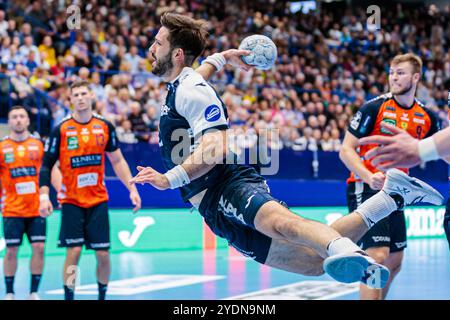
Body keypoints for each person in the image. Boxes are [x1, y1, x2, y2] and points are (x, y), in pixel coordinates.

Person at [129, 13, 443, 289]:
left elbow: (215, 146)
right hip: (210, 206)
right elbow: (199, 76)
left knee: (280, 223)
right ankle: (391, 198)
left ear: (178, 53)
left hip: (225, 183)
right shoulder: (183, 85)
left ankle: (346, 249)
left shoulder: (190, 89)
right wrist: (223, 57)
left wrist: (169, 179)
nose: (151, 48)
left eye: (157, 42)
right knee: (312, 263)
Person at [340, 53, 440, 300]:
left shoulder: (427, 116)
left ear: (416, 77)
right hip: (367, 186)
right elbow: (345, 149)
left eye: (401, 72)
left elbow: (440, 148)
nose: (394, 77)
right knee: (377, 255)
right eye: (392, 72)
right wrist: (368, 175)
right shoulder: (374, 107)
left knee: (395, 260)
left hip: (398, 191)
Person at [38, 81, 142, 300]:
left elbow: (118, 160)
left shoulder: (105, 127)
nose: (80, 97)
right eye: (75, 94)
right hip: (71, 201)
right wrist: (44, 195)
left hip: (97, 200)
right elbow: (47, 164)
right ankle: (69, 297)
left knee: (103, 254)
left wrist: (132, 188)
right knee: (73, 252)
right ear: (70, 100)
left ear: (92, 96)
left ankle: (102, 296)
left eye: (84, 93)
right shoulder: (62, 130)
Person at [359, 90, 450, 250]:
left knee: (391, 257)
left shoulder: (424, 114)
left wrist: (419, 149)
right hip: (367, 182)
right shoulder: (375, 106)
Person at [0, 106, 46, 300]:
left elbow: (48, 172)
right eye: (14, 117)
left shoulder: (39, 145)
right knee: (11, 250)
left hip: (36, 208)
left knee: (39, 248)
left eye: (22, 116)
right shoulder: (2, 147)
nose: (18, 120)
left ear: (28, 120)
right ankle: (9, 292)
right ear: (9, 122)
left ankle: (33, 292)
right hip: (12, 208)